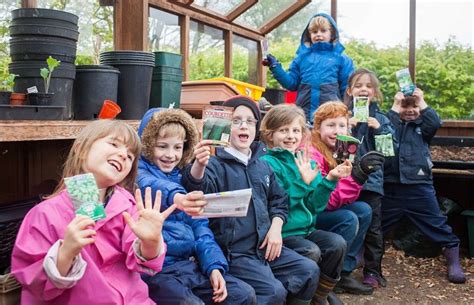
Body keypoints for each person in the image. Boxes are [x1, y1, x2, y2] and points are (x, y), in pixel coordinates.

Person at [11, 120, 175, 304]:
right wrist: (65, 253)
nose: (123, 155)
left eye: (130, 156)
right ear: (81, 150)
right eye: (114, 144)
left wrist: (151, 242)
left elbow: (141, 259)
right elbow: (31, 279)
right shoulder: (44, 214)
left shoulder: (128, 206)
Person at [182, 96, 319, 305]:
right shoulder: (213, 163)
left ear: (257, 128)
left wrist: (276, 227)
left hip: (265, 246)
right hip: (235, 253)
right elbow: (196, 190)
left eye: (250, 121)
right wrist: (199, 165)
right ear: (225, 126)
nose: (243, 125)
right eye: (236, 120)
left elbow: (279, 200)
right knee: (273, 292)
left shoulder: (262, 164)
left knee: (308, 270)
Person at [136, 108, 256, 305]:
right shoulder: (138, 174)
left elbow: (201, 228)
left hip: (187, 266)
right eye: (162, 146)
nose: (170, 155)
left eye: (177, 148)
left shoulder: (182, 176)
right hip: (155, 271)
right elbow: (153, 185)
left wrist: (214, 267)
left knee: (242, 294)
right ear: (148, 145)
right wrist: (178, 198)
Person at [259, 104, 352, 305]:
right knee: (311, 251)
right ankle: (298, 297)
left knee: (337, 244)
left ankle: (319, 296)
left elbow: (315, 205)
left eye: (296, 130)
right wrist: (303, 182)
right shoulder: (268, 163)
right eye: (283, 130)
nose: (290, 136)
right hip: (284, 232)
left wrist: (330, 180)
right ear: (270, 135)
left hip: (305, 229)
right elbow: (279, 202)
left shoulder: (306, 161)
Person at [382, 89, 466, 284]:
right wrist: (395, 105)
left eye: (415, 106)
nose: (410, 110)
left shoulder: (423, 128)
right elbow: (385, 129)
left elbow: (435, 122)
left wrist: (422, 100)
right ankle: (362, 254)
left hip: (419, 185)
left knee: (436, 222)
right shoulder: (391, 125)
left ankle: (452, 257)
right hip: (392, 184)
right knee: (378, 223)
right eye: (405, 106)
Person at [308, 101, 385, 295]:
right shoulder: (312, 152)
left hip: (324, 209)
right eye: (330, 125)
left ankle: (344, 273)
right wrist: (357, 177)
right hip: (308, 213)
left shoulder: (342, 150)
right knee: (348, 219)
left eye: (342, 125)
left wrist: (358, 173)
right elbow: (324, 201)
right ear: (318, 128)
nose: (337, 130)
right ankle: (328, 276)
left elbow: (346, 199)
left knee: (364, 210)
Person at [345, 68, 395, 289]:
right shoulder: (343, 116)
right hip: (344, 182)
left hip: (371, 183)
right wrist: (346, 127)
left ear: (374, 93)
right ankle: (342, 266)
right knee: (349, 221)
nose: (363, 89)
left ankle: (373, 271)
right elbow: (331, 146)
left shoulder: (382, 119)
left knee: (374, 228)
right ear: (349, 91)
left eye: (368, 86)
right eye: (358, 85)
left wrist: (379, 128)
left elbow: (389, 155)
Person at [263, 12, 354, 123]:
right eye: (314, 31)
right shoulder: (301, 58)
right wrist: (275, 67)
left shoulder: (341, 59)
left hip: (331, 115)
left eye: (323, 31)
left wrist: (347, 113)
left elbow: (347, 90)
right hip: (303, 114)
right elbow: (291, 84)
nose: (318, 34)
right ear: (309, 35)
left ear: (332, 33)